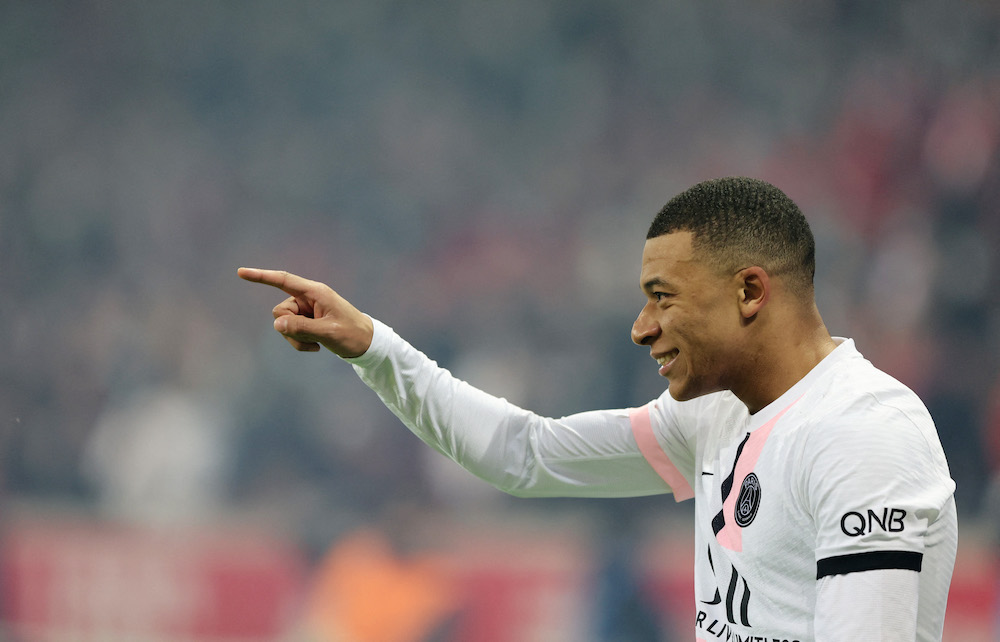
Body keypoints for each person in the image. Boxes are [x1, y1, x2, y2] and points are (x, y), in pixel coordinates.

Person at [239, 177, 957, 641]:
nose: (642, 327)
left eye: (663, 297)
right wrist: (373, 347)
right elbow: (527, 456)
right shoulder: (717, 416)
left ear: (750, 292)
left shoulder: (862, 436)